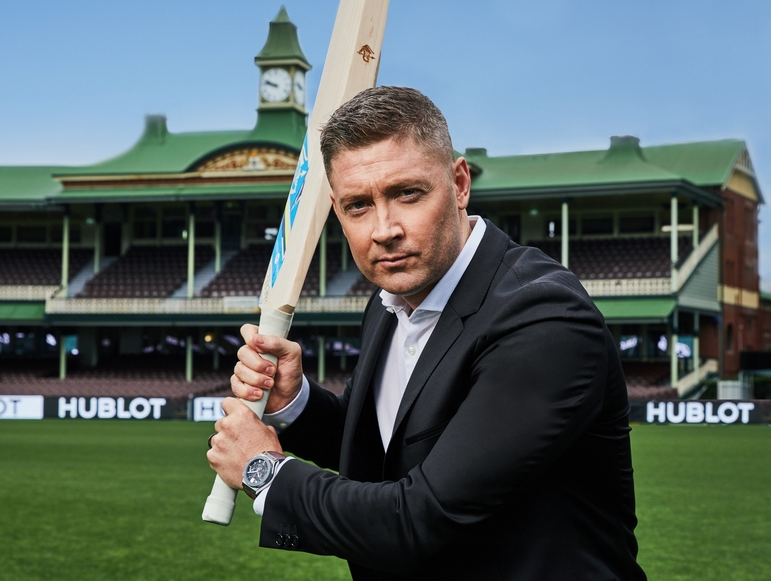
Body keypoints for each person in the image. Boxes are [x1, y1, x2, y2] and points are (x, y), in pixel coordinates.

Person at [207, 86, 646, 580]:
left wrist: (264, 471)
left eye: (407, 194)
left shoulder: (545, 320)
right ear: (336, 209)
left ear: (459, 184)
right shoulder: (389, 303)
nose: (384, 229)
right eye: (358, 205)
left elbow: (419, 518)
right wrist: (295, 403)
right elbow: (390, 448)